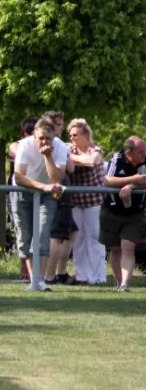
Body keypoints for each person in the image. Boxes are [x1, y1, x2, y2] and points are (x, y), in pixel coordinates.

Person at [10, 117, 67, 291]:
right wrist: (43, 186)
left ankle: (39, 280)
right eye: (41, 138)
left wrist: (48, 156)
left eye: (48, 139)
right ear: (34, 136)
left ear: (53, 137)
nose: (44, 142)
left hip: (48, 194)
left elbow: (57, 178)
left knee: (42, 233)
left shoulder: (60, 147)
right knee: (25, 236)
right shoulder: (25, 146)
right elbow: (19, 177)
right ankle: (34, 279)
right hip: (23, 192)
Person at [100, 136, 146, 291]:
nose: (144, 155)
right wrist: (133, 179)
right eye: (140, 152)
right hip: (111, 211)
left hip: (135, 214)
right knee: (114, 249)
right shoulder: (116, 158)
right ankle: (119, 283)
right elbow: (107, 180)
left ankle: (125, 283)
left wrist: (131, 186)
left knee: (127, 246)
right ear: (128, 153)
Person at [67, 118, 107, 284]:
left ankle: (97, 277)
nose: (72, 138)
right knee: (78, 240)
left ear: (86, 134)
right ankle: (82, 276)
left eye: (75, 135)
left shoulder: (95, 149)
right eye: (70, 135)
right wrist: (73, 158)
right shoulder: (69, 149)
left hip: (93, 201)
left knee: (95, 239)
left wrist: (72, 159)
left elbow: (93, 161)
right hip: (76, 201)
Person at [44, 111, 79, 285]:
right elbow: (70, 168)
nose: (62, 127)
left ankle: (61, 272)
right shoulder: (56, 143)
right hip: (59, 191)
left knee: (72, 230)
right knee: (56, 235)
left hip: (62, 192)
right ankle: (50, 276)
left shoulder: (57, 144)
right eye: (59, 124)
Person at [8, 118, 37, 280]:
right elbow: (14, 152)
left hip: (39, 191)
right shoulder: (16, 145)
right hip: (18, 194)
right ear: (26, 134)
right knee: (22, 231)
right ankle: (24, 271)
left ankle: (37, 271)